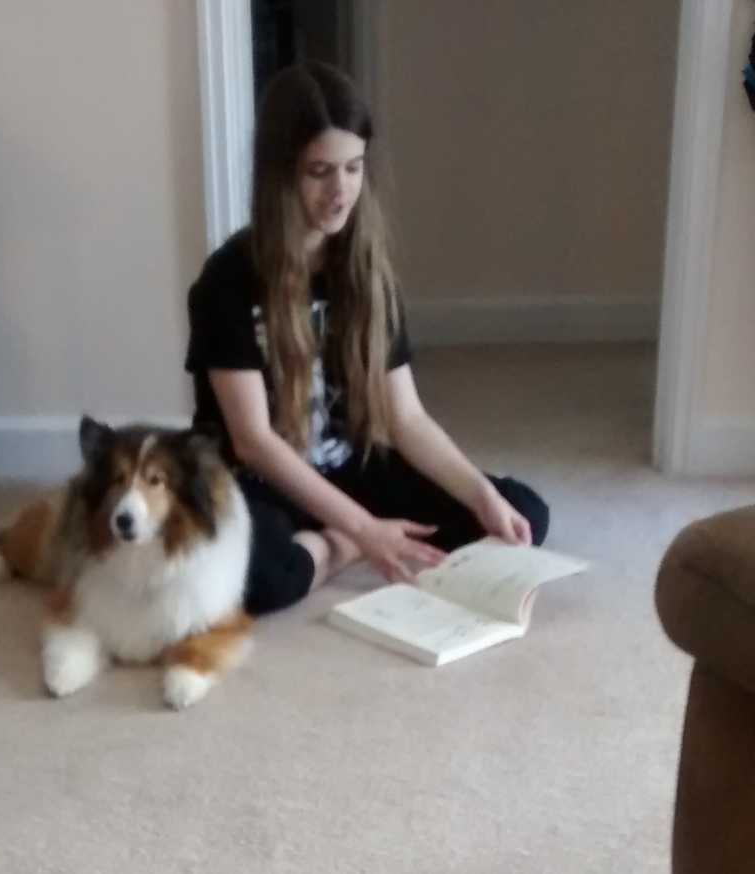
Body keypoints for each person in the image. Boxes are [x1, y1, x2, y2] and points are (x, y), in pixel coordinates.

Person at [185, 62, 549, 617]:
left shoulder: (366, 271)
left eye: (354, 168)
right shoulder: (228, 280)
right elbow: (253, 440)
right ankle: (347, 544)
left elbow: (405, 420)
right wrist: (360, 530)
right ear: (280, 174)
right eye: (319, 171)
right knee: (253, 579)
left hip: (347, 469)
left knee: (522, 512)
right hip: (260, 479)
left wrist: (481, 494)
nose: (341, 191)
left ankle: (343, 539)